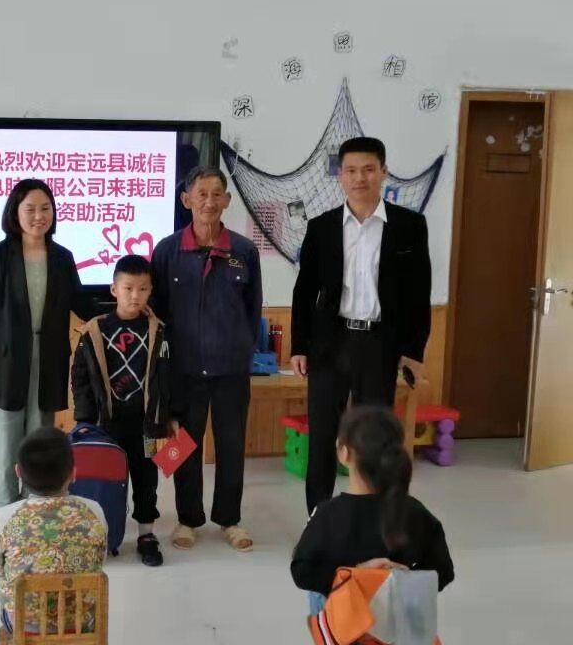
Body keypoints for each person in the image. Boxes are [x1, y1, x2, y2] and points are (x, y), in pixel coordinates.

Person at [291, 137, 432, 515]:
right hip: (330, 342)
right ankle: (319, 516)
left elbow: (420, 292)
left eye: (368, 169)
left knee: (374, 437)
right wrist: (299, 346)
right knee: (323, 435)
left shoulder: (409, 226)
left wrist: (414, 350)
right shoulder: (322, 227)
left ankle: (373, 515)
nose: (359, 178)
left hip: (379, 344)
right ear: (340, 175)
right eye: (351, 170)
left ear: (384, 172)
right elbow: (304, 291)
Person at [151, 166, 262, 552]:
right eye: (201, 194)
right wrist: (163, 366)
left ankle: (230, 519)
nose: (209, 202)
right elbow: (157, 314)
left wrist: (242, 352)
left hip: (230, 369)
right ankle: (187, 518)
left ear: (227, 200)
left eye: (217, 194)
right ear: (186, 200)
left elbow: (252, 309)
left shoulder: (244, 251)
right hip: (182, 370)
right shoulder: (167, 251)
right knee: (181, 445)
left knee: (232, 444)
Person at [0, 178, 98, 506]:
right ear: (15, 212)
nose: (39, 216)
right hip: (5, 362)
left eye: (45, 208)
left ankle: (35, 511)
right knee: (7, 448)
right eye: (30, 209)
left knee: (39, 445)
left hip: (49, 359)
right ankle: (7, 515)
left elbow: (81, 303)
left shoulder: (62, 257)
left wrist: (124, 311)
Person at [71, 254, 176, 567]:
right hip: (106, 424)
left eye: (142, 289)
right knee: (104, 479)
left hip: (146, 424)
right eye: (128, 288)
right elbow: (80, 378)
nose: (135, 296)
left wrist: (171, 417)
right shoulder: (94, 330)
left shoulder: (160, 331)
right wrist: (85, 421)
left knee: (146, 479)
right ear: (114, 289)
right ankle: (100, 532)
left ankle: (146, 535)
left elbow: (168, 377)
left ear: (151, 291)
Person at [290, 406, 454, 605]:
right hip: (397, 615)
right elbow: (443, 572)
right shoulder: (416, 512)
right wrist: (401, 577)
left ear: (344, 452)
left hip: (343, 618)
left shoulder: (327, 514)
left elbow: (302, 571)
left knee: (318, 593)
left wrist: (356, 573)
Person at [0, 427, 108, 632]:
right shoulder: (94, 511)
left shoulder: (5, 517)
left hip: (24, 627)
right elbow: (100, 559)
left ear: (18, 472)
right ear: (73, 474)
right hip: (81, 625)